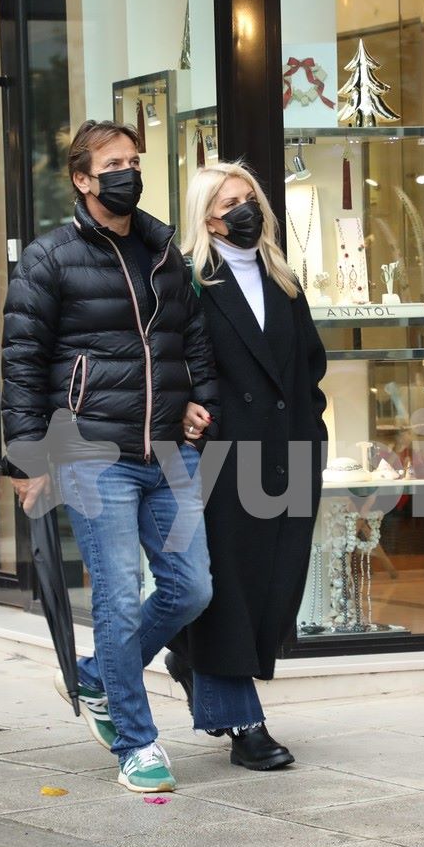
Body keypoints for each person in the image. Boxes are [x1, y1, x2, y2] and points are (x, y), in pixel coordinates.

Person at [1, 120, 220, 793]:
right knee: (120, 599)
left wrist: (200, 399)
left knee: (191, 587)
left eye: (134, 162)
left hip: (168, 451)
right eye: (113, 164)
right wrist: (27, 457)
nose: (128, 173)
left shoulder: (163, 251)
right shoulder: (49, 258)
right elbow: (21, 362)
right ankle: (136, 741)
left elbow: (191, 336)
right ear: (82, 179)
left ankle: (97, 676)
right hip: (93, 454)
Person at [165, 161, 327, 770]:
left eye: (249, 198)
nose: (244, 211)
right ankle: (243, 723)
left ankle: (188, 655)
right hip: (221, 456)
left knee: (276, 587)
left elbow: (309, 366)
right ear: (207, 217)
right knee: (228, 589)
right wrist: (183, 413)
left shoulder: (283, 279)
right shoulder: (187, 279)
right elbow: (165, 360)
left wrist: (314, 435)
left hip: (289, 454)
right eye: (230, 202)